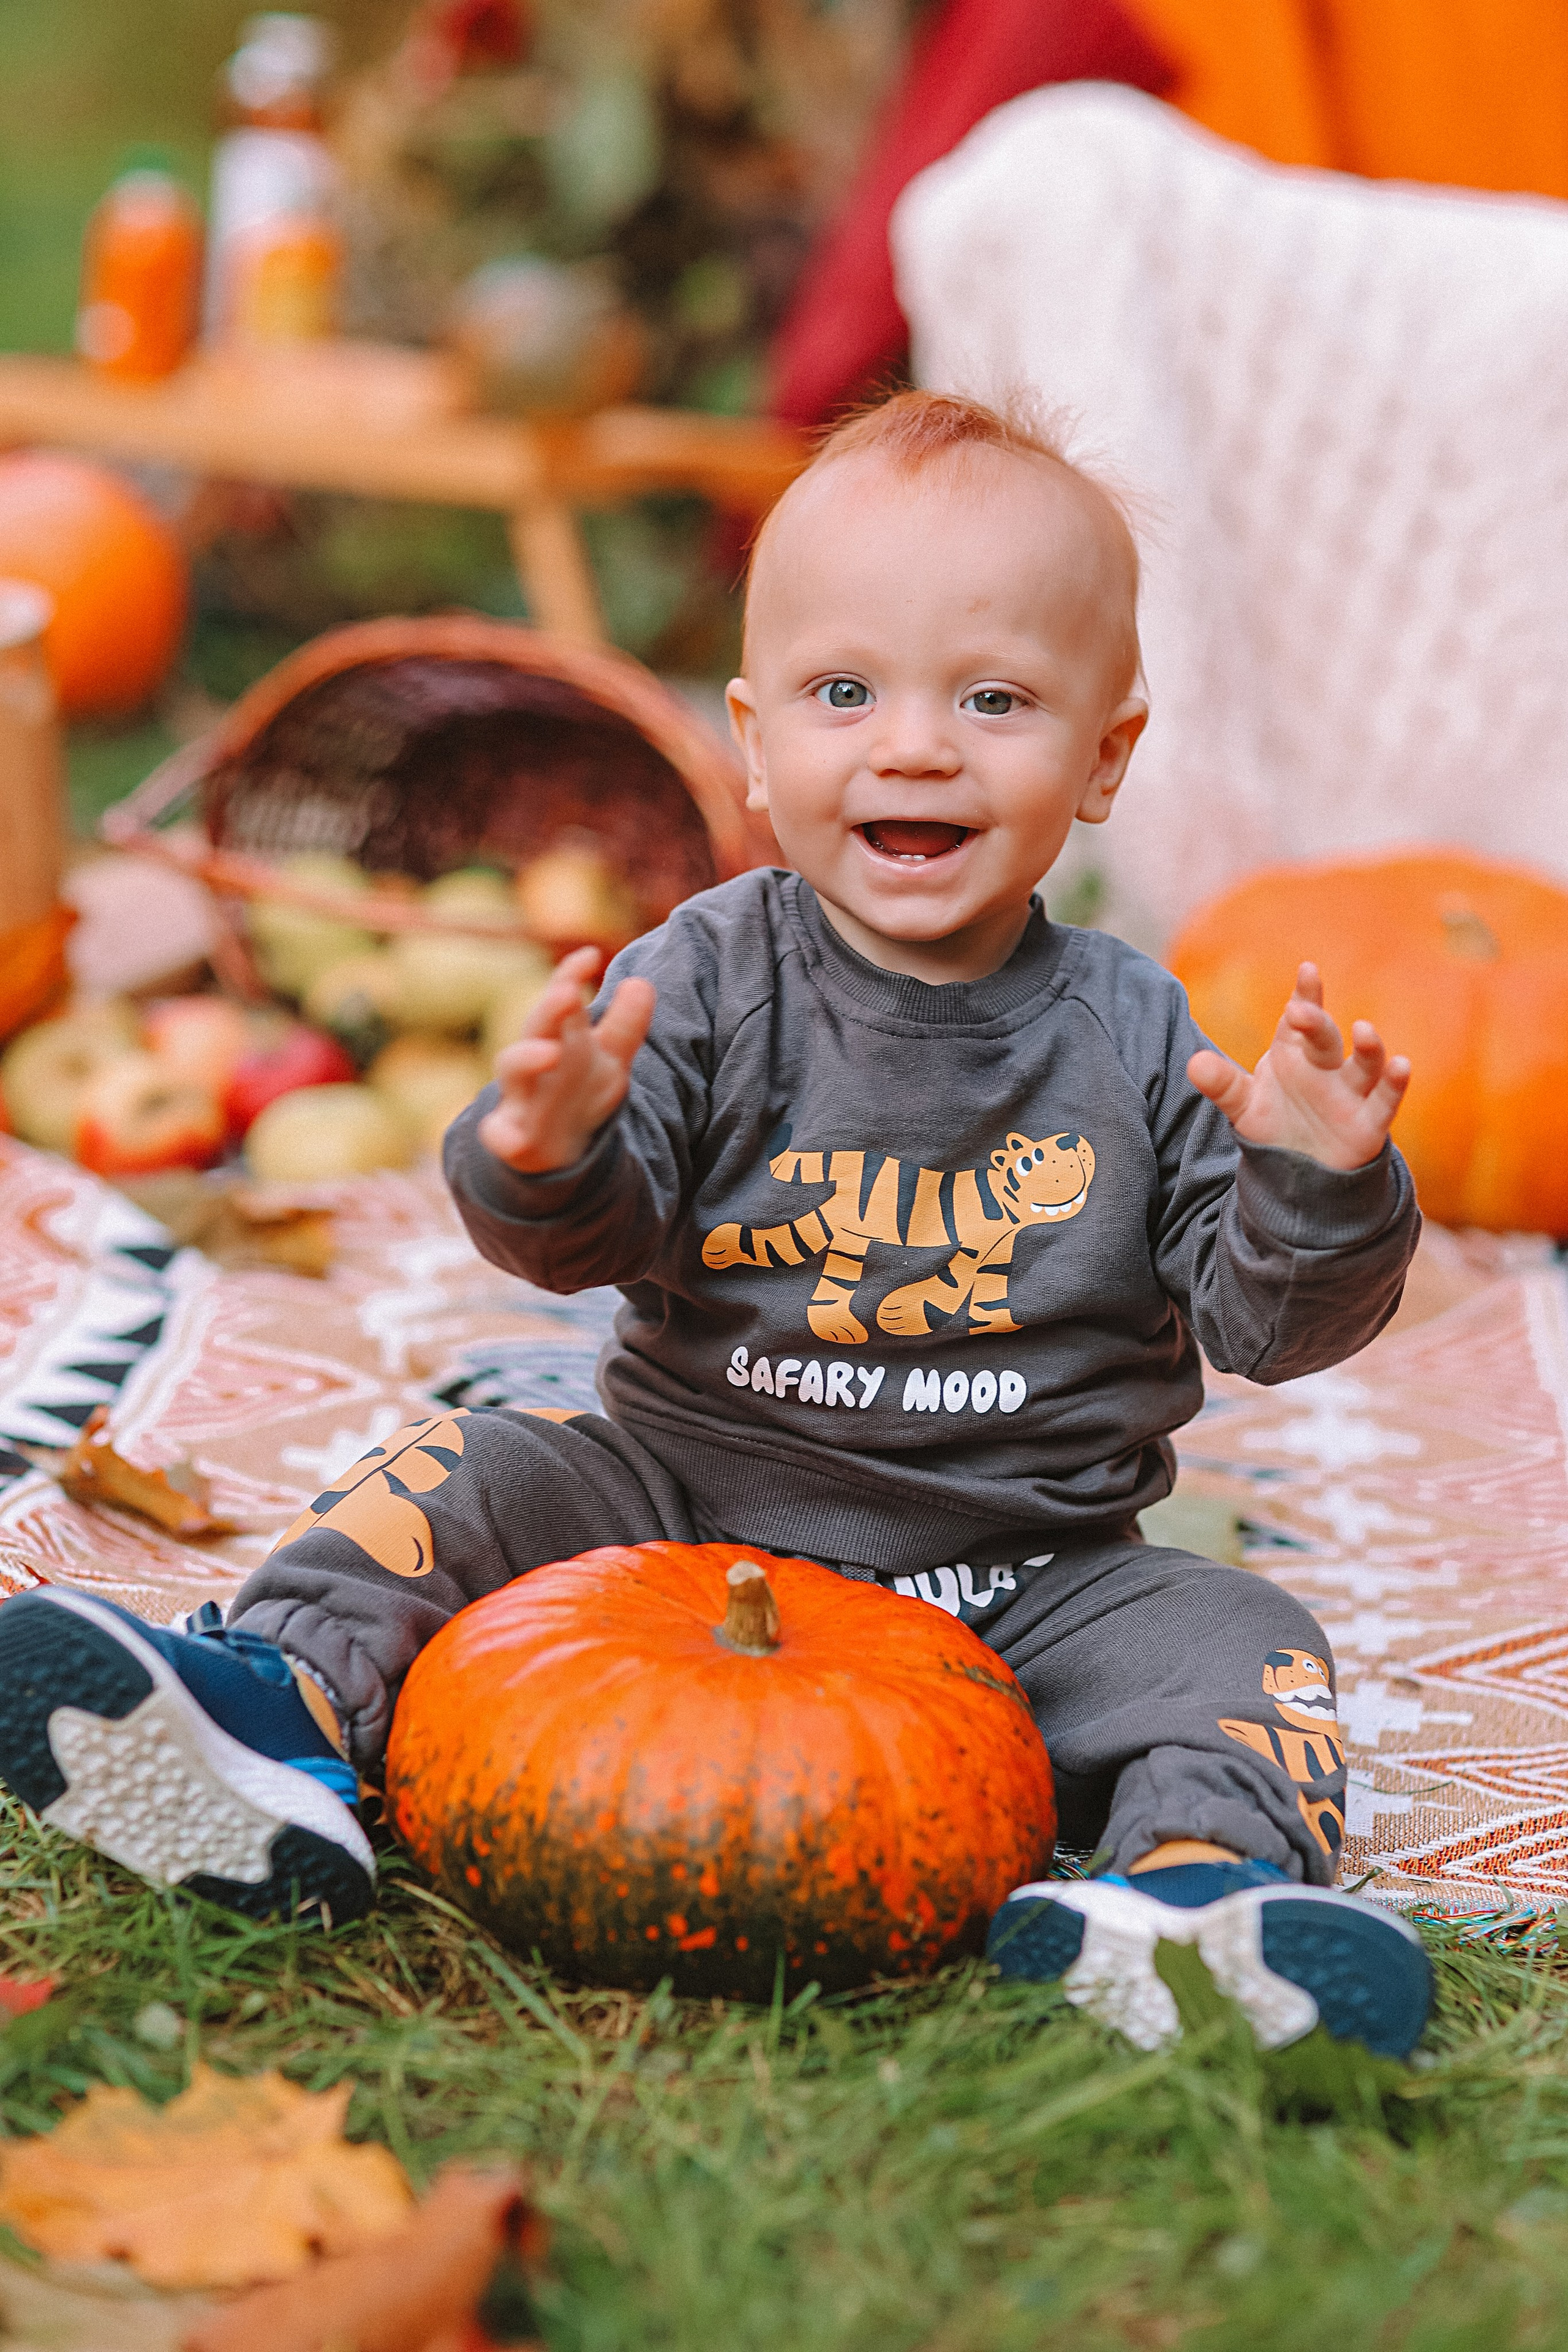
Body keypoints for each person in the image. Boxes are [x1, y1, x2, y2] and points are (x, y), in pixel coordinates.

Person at [0, 390, 1431, 2057]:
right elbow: (575, 1239)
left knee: (1242, 1634)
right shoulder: (702, 977)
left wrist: (1319, 1183)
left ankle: (1192, 1902)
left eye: (993, 699)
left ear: (1106, 754)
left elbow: (1270, 1328)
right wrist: (544, 1144)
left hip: (1028, 1574)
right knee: (467, 1466)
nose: (913, 745)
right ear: (756, 743)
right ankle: (272, 1712)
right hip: (677, 1509)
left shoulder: (1137, 1036)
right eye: (845, 693)